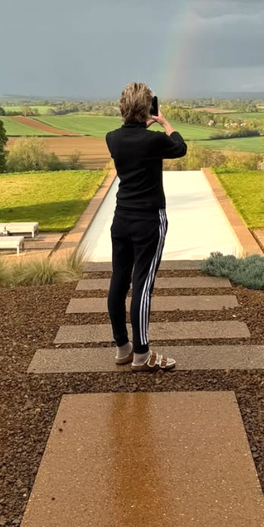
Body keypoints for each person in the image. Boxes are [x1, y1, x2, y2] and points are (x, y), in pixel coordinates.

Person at [105, 82, 187, 372]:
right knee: (143, 285)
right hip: (149, 220)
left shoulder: (111, 138)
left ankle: (122, 347)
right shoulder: (153, 140)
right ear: (147, 108)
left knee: (119, 281)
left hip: (121, 218)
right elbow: (180, 147)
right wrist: (164, 121)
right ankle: (142, 355)